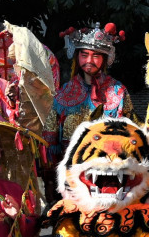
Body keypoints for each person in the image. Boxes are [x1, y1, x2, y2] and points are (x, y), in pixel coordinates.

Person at [52, 24, 134, 153]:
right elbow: (51, 131)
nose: (89, 60)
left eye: (95, 56)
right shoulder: (65, 91)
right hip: (71, 163)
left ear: (105, 59)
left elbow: (130, 127)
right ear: (77, 57)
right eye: (84, 55)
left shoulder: (118, 91)